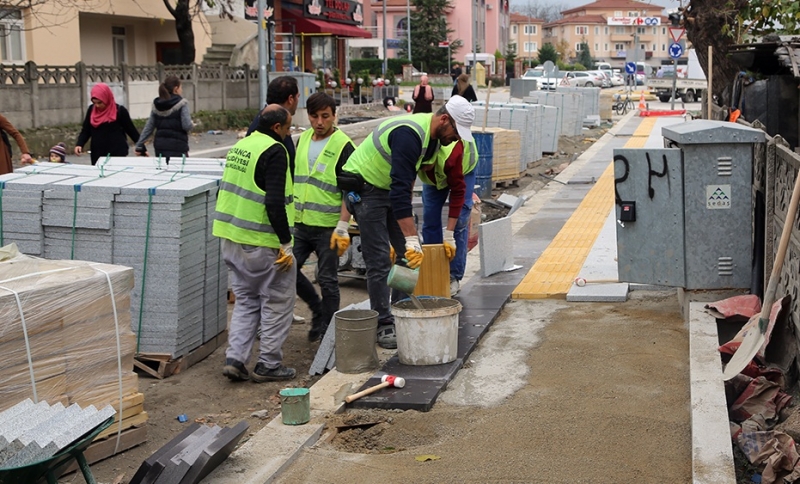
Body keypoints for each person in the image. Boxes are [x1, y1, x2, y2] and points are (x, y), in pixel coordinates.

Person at [338, 95, 475, 349]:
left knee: (408, 257)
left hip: (388, 189)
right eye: (456, 132)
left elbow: (406, 185)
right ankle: (383, 322)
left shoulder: (434, 140)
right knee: (379, 259)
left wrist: (412, 242)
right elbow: (401, 192)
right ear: (444, 119)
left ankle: (399, 309)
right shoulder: (408, 134)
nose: (456, 139)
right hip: (366, 188)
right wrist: (412, 237)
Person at [213, 105, 297, 383]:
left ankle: (235, 359)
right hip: (262, 243)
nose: (289, 133)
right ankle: (269, 364)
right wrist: (285, 243)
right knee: (277, 301)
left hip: (232, 239)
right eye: (288, 128)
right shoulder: (275, 151)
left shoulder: (242, 146)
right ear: (276, 128)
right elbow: (274, 202)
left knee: (247, 300)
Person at [293, 92, 356, 341]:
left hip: (328, 227)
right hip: (301, 224)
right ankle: (317, 310)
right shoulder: (303, 139)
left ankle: (329, 333)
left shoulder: (344, 145)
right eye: (314, 116)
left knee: (328, 280)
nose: (319, 122)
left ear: (334, 115)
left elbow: (349, 190)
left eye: (325, 116)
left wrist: (343, 225)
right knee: (286, 273)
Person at [418, 139, 478, 297]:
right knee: (430, 218)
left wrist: (449, 234)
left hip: (463, 170)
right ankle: (433, 271)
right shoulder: (414, 154)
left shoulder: (452, 155)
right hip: (434, 178)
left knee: (460, 221)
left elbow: (458, 195)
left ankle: (453, 276)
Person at [75, 83, 140, 165]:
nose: (97, 106)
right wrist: (80, 144)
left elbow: (132, 131)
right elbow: (86, 130)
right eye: (94, 103)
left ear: (107, 99)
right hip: (97, 154)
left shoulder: (119, 111)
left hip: (117, 154)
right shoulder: (91, 110)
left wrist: (141, 148)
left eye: (100, 103)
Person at [135, 75, 193, 163]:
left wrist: (139, 144)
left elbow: (149, 127)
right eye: (181, 87)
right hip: (178, 147)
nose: (182, 90)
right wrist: (192, 124)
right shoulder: (182, 103)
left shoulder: (157, 104)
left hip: (160, 147)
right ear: (176, 88)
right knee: (178, 173)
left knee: (163, 172)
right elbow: (187, 126)